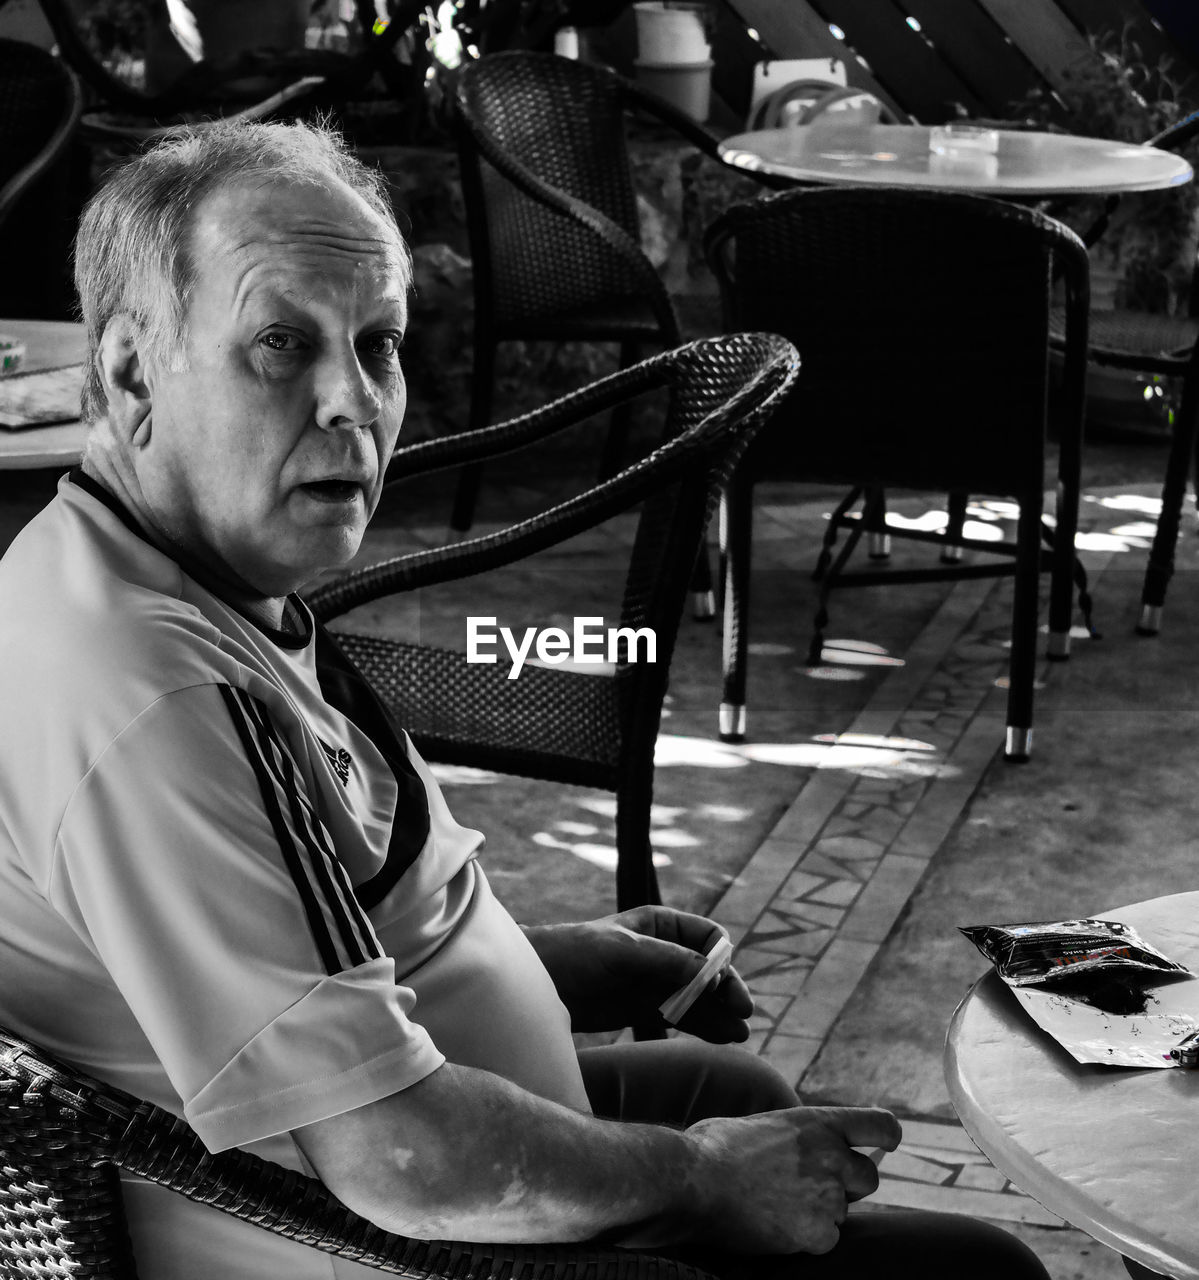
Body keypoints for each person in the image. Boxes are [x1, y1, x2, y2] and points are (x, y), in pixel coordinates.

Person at [0, 118, 1049, 1280]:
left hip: (400, 1137)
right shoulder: (158, 698)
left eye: (379, 343)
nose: (353, 401)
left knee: (735, 1086)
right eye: (281, 342)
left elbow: (284, 955)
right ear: (133, 372)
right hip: (378, 1235)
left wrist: (552, 955)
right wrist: (700, 1177)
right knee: (973, 1268)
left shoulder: (158, 576)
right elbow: (398, 1155)